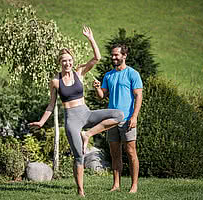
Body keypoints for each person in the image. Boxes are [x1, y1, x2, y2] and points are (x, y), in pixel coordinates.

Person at [29, 26, 124, 197]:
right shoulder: (55, 81)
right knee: (79, 156)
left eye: (69, 60)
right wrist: (42, 122)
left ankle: (87, 134)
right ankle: (80, 190)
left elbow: (97, 58)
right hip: (72, 120)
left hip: (86, 113)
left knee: (118, 115)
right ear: (60, 62)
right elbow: (51, 105)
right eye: (64, 60)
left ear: (73, 61)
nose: (67, 63)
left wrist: (91, 38)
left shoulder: (79, 72)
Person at [93, 43, 143, 193]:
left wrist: (134, 117)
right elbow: (102, 96)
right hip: (111, 120)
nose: (113, 57)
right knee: (115, 153)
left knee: (131, 152)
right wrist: (97, 87)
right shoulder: (108, 75)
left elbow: (138, 96)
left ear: (124, 56)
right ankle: (116, 185)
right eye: (112, 55)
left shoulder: (132, 74)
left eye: (116, 55)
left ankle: (134, 186)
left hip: (127, 119)